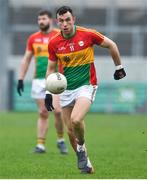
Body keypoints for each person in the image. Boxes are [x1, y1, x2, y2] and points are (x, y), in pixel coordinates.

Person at [45, 6, 126, 173]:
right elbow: (50, 69)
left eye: (68, 20)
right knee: (69, 131)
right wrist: (48, 92)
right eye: (61, 21)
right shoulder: (54, 43)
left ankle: (81, 148)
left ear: (73, 19)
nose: (65, 23)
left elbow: (111, 45)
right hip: (66, 89)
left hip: (86, 85)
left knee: (76, 120)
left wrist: (119, 67)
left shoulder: (88, 34)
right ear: (57, 22)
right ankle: (87, 165)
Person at [17, 10, 68, 154]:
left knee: (57, 111)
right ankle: (40, 145)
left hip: (55, 78)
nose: (41, 21)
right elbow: (26, 59)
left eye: (44, 19)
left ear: (50, 20)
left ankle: (60, 140)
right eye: (39, 19)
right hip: (38, 80)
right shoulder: (33, 38)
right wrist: (21, 78)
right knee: (43, 112)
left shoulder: (59, 35)